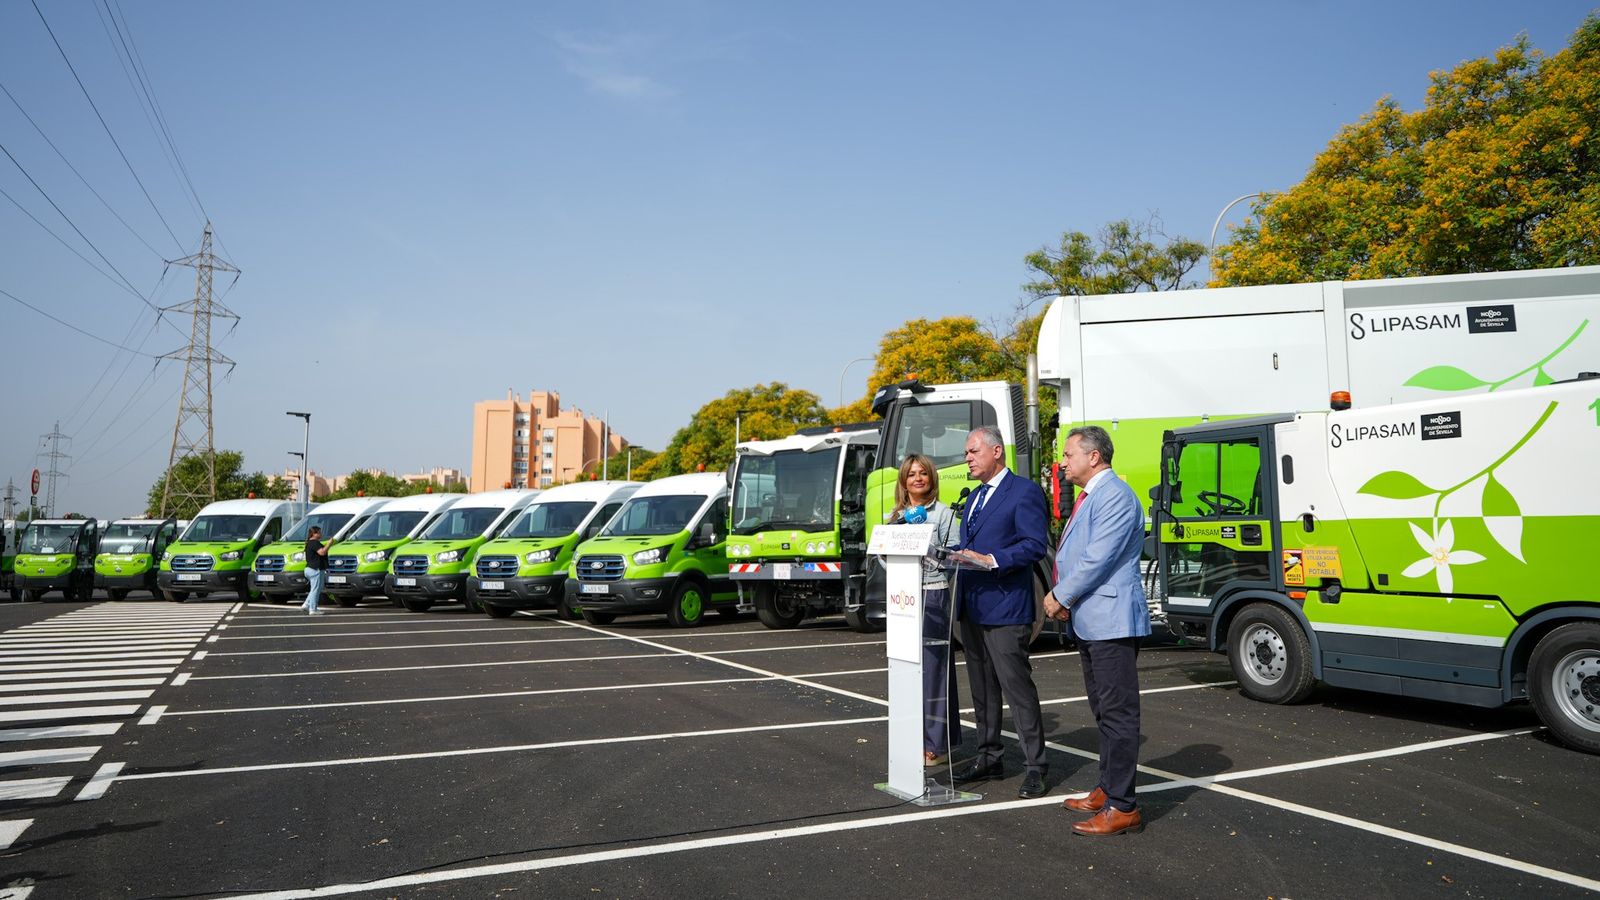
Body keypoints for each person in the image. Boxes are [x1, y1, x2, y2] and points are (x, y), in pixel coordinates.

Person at [1045, 425, 1151, 836]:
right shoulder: (1092, 495)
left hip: (1111, 621)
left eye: (1069, 454)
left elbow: (1097, 559)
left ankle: (1124, 806)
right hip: (1093, 622)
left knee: (1119, 715)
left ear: (1094, 456)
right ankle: (1108, 789)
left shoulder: (1116, 496)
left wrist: (1059, 596)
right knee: (1104, 711)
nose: (1063, 462)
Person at [948, 425, 1051, 799]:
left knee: (1016, 690)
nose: (968, 458)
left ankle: (1036, 766)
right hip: (972, 607)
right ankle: (989, 756)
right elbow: (968, 546)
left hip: (1007, 607)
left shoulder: (1023, 492)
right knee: (982, 691)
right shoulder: (972, 498)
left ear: (996, 452)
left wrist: (992, 560)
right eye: (966, 453)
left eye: (973, 451)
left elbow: (1034, 545)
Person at [890, 453, 961, 767]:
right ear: (904, 482)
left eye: (923, 474)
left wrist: (933, 555)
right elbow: (883, 555)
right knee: (907, 669)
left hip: (932, 593)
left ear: (931, 478)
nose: (917, 479)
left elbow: (955, 554)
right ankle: (911, 736)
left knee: (934, 671)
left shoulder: (943, 514)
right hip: (903, 596)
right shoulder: (896, 516)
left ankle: (936, 743)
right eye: (911, 474)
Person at [301, 525, 331, 616]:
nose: (321, 534)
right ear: (314, 534)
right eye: (319, 532)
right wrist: (329, 544)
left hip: (310, 569)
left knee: (316, 588)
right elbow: (322, 552)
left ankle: (307, 604)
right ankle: (313, 609)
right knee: (316, 589)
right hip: (315, 569)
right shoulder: (314, 542)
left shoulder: (310, 543)